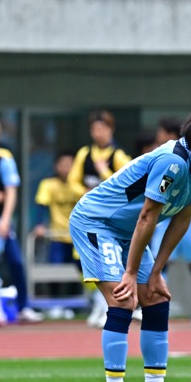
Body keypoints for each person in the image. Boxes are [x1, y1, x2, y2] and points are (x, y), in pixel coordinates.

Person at [68, 104, 191, 382]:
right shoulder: (171, 163)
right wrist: (131, 274)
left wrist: (157, 271)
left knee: (156, 298)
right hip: (97, 223)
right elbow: (148, 215)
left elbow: (182, 218)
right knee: (123, 300)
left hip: (125, 231)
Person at [68, 109, 131, 328]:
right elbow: (72, 182)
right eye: (94, 129)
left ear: (111, 129)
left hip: (110, 220)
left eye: (102, 128)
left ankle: (106, 305)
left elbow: (127, 184)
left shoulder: (119, 155)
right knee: (84, 262)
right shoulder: (84, 154)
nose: (98, 133)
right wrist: (83, 192)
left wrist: (104, 173)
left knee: (108, 262)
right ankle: (97, 302)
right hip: (87, 217)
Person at [149, 116, 191, 328]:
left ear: (171, 135)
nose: (158, 137)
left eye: (161, 133)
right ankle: (156, 306)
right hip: (166, 219)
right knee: (160, 263)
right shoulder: (166, 158)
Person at [0, 117, 44, 325]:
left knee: (15, 262)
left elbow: (10, 193)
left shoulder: (4, 160)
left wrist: (5, 220)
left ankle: (23, 307)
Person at [32, 150, 82, 297]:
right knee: (55, 270)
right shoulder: (48, 184)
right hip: (57, 236)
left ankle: (76, 305)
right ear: (56, 166)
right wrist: (39, 224)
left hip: (77, 237)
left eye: (70, 165)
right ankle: (55, 303)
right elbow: (41, 204)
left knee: (78, 271)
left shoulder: (79, 186)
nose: (66, 168)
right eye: (63, 164)